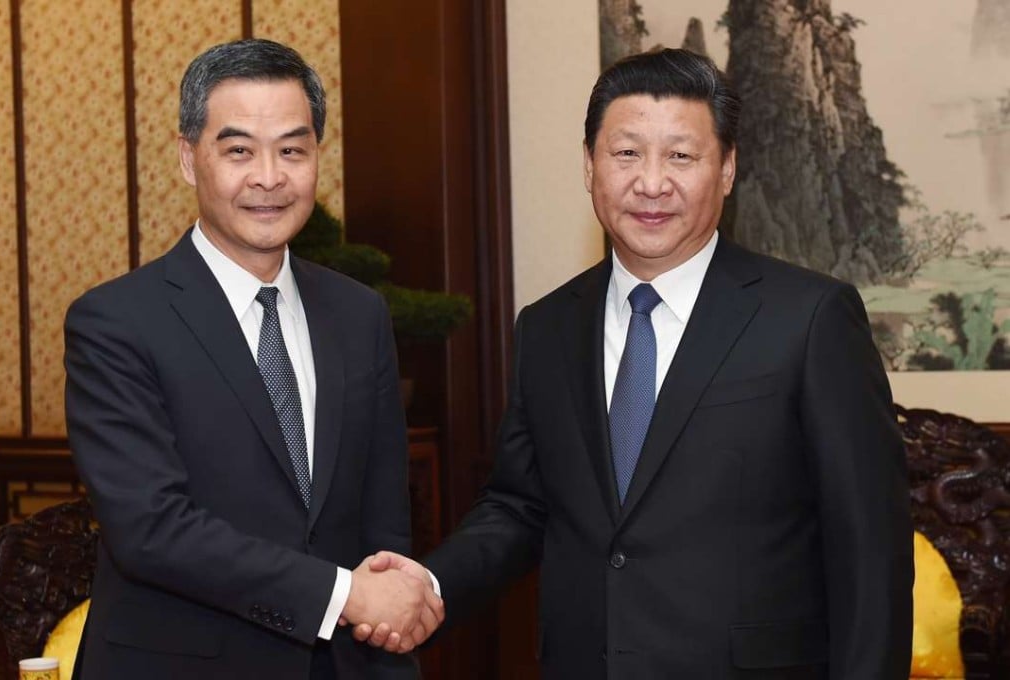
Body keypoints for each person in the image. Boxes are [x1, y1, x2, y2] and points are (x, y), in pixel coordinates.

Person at [364, 48, 913, 678]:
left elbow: (871, 550)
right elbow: (521, 505)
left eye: (681, 155)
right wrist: (433, 586)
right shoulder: (547, 327)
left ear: (728, 169)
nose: (652, 183)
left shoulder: (811, 318)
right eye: (626, 154)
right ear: (589, 165)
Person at [64, 38, 442, 680]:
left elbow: (383, 524)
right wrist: (344, 595)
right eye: (238, 150)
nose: (269, 177)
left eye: (292, 149)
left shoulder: (358, 314)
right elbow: (151, 529)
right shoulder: (115, 323)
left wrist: (391, 615)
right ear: (189, 159)